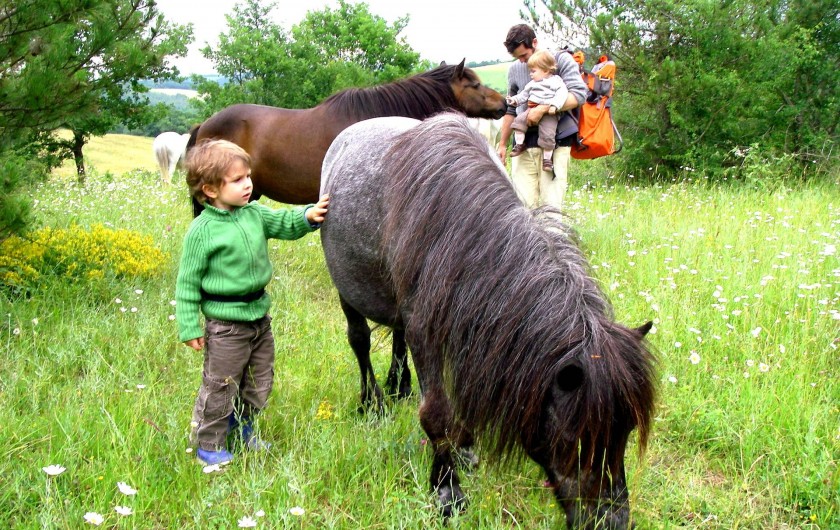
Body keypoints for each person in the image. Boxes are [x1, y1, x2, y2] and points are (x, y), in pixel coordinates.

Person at [175, 139, 329, 466]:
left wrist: (308, 215)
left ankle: (243, 429)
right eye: (237, 180)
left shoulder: (254, 214)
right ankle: (209, 442)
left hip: (259, 318)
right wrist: (188, 326)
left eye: (248, 176)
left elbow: (284, 223)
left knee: (259, 382)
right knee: (221, 385)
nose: (248, 184)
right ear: (210, 190)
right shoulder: (202, 231)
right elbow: (187, 283)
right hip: (226, 327)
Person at [498, 24, 587, 210]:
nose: (522, 61)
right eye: (517, 57)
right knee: (522, 209)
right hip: (522, 145)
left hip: (554, 141)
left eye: (524, 55)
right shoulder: (514, 69)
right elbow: (511, 110)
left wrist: (543, 109)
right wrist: (502, 144)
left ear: (534, 42)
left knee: (550, 208)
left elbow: (579, 95)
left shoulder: (560, 60)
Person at [505, 49, 569, 173]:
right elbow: (524, 95)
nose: (530, 74)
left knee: (548, 134)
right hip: (531, 108)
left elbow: (562, 94)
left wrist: (554, 106)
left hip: (549, 114)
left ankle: (547, 160)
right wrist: (514, 100)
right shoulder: (532, 83)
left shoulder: (556, 81)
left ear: (545, 70)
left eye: (533, 71)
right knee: (518, 122)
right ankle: (519, 144)